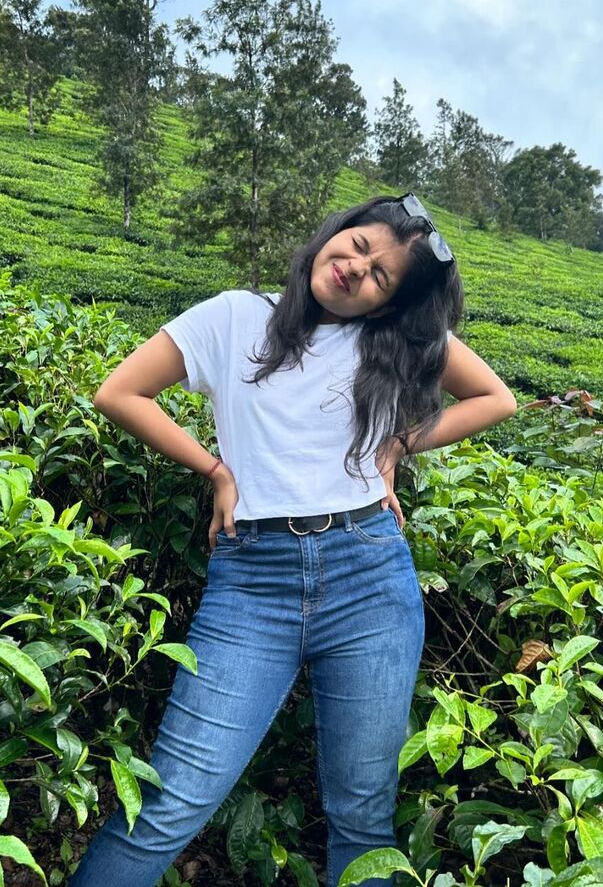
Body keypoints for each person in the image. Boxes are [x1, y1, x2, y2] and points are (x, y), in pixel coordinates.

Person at [71, 194, 518, 887]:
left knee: (362, 820)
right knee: (170, 802)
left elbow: (495, 398)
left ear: (386, 306)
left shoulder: (393, 344)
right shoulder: (232, 316)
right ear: (335, 232)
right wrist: (214, 468)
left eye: (381, 278)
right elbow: (121, 392)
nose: (357, 269)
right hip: (253, 583)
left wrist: (397, 446)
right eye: (359, 245)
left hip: (370, 575)